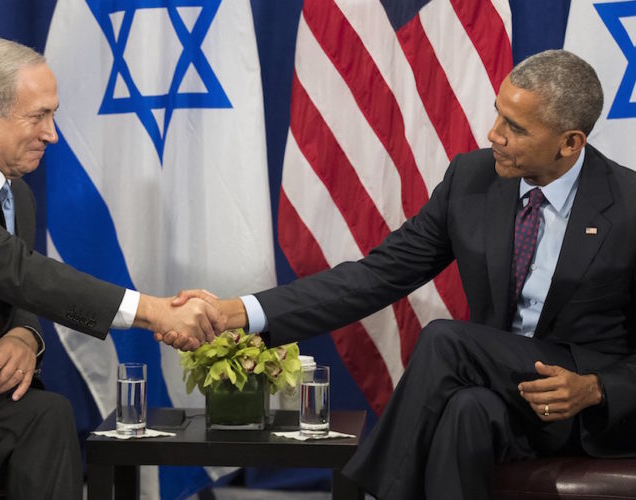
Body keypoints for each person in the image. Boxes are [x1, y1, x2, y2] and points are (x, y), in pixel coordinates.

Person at [167, 49, 636, 499]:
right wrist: (239, 312)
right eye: (497, 114)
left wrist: (596, 389)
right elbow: (375, 276)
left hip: (584, 406)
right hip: (500, 393)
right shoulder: (472, 180)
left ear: (570, 142)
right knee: (464, 410)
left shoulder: (629, 205)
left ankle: (370, 489)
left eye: (515, 127)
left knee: (444, 340)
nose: (493, 134)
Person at [0, 38, 224, 500]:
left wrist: (24, 334)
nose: (51, 134)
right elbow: (15, 270)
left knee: (47, 416)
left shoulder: (15, 192)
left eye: (52, 115)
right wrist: (155, 312)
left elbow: (13, 289)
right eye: (37, 116)